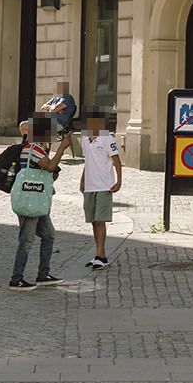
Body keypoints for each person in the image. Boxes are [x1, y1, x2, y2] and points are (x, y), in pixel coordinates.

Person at [9, 116, 61, 291]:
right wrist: (62, 148)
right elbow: (50, 166)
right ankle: (16, 279)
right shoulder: (34, 148)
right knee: (26, 241)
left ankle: (43, 274)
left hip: (37, 200)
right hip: (30, 200)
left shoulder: (38, 148)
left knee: (49, 235)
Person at [75, 110, 122, 268]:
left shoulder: (107, 139)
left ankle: (100, 255)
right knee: (93, 221)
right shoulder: (85, 139)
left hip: (104, 185)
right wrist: (82, 180)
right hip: (90, 185)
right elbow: (88, 161)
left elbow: (117, 160)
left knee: (100, 220)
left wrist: (119, 181)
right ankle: (99, 254)